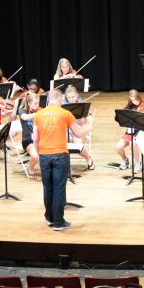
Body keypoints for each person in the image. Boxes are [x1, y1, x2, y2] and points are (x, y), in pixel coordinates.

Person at [33, 90, 93, 231]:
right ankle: (59, 222)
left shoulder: (38, 114)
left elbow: (35, 138)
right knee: (59, 189)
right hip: (60, 154)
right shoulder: (65, 113)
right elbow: (78, 133)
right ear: (59, 99)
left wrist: (39, 153)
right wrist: (88, 128)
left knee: (48, 188)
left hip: (44, 155)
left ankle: (49, 218)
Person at [62, 85, 95, 170]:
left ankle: (88, 159)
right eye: (69, 97)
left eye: (73, 96)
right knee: (59, 144)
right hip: (66, 130)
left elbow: (83, 122)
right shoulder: (64, 106)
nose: (71, 99)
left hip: (78, 131)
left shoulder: (82, 106)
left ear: (77, 95)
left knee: (78, 146)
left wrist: (73, 118)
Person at [115, 90, 144, 172]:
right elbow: (118, 117)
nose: (135, 102)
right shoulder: (130, 107)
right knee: (118, 147)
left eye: (136, 99)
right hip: (130, 133)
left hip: (140, 133)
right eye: (133, 100)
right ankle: (125, 161)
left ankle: (138, 163)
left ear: (139, 97)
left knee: (132, 143)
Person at [17, 93, 42, 178]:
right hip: (27, 140)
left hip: (39, 139)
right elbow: (24, 117)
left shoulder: (38, 110)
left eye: (38, 103)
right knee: (35, 156)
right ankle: (31, 169)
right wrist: (38, 114)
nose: (38, 105)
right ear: (29, 103)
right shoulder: (22, 110)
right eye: (35, 103)